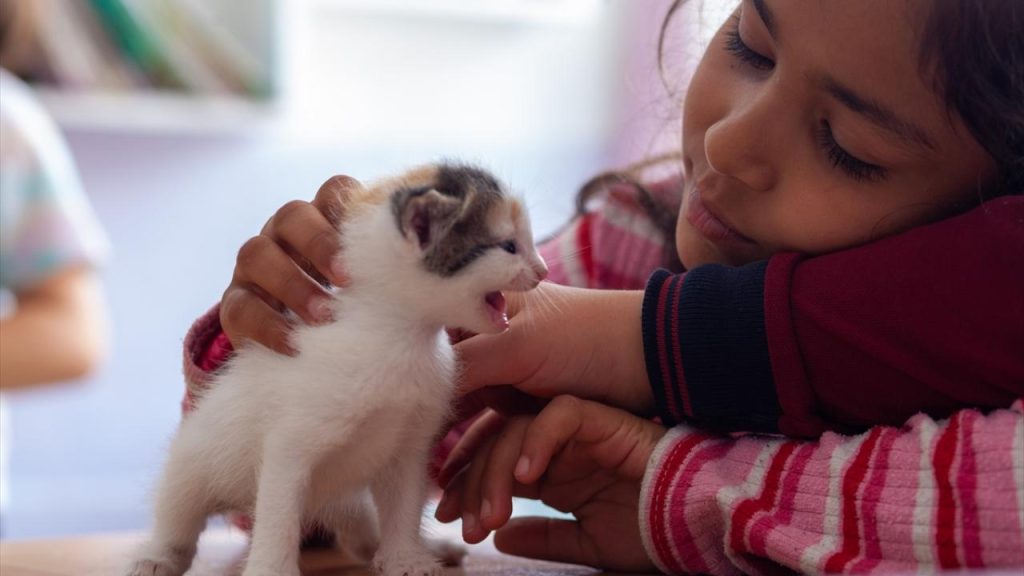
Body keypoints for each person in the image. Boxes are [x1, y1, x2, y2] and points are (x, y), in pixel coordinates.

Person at [182, 0, 1024, 573]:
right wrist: (282, 337)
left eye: (848, 146)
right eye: (750, 46)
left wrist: (675, 490)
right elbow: (296, 509)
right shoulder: (626, 242)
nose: (729, 144)